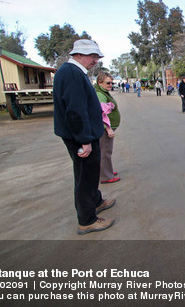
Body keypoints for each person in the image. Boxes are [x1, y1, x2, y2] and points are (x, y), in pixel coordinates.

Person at [53, 39, 115, 235]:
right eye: (92, 56)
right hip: (80, 136)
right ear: (78, 55)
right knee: (85, 177)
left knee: (91, 172)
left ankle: (95, 202)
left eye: (97, 57)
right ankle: (87, 220)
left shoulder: (74, 72)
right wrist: (84, 140)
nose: (95, 60)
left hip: (85, 133)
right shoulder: (72, 74)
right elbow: (75, 110)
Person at [94, 72, 121, 185]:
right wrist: (108, 128)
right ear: (100, 83)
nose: (110, 85)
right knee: (105, 151)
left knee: (105, 150)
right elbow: (101, 114)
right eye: (108, 83)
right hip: (105, 128)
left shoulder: (103, 92)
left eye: (111, 82)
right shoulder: (100, 94)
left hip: (108, 127)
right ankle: (105, 176)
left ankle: (107, 170)